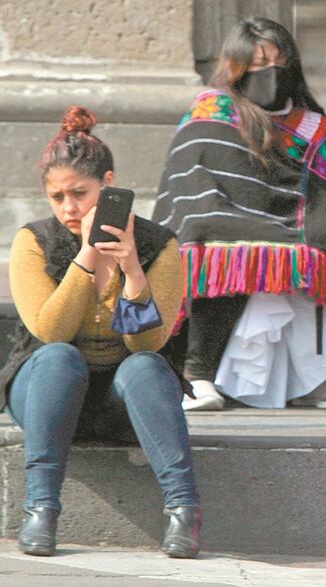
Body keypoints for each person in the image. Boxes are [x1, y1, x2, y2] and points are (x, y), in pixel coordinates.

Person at [152, 17, 326, 411]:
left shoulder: (312, 124)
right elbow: (196, 181)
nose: (268, 74)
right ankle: (198, 374)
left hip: (296, 217)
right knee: (227, 246)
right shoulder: (212, 111)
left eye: (277, 63)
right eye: (257, 66)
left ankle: (311, 376)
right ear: (237, 67)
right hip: (224, 214)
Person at [2, 106, 201, 558]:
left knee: (148, 366)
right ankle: (40, 508)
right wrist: (88, 258)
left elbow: (149, 342)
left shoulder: (159, 245)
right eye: (58, 197)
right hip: (45, 392)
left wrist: (131, 268)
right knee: (60, 357)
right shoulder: (34, 242)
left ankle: (184, 509)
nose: (69, 208)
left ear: (108, 185)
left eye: (80, 193)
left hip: (122, 398)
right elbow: (52, 330)